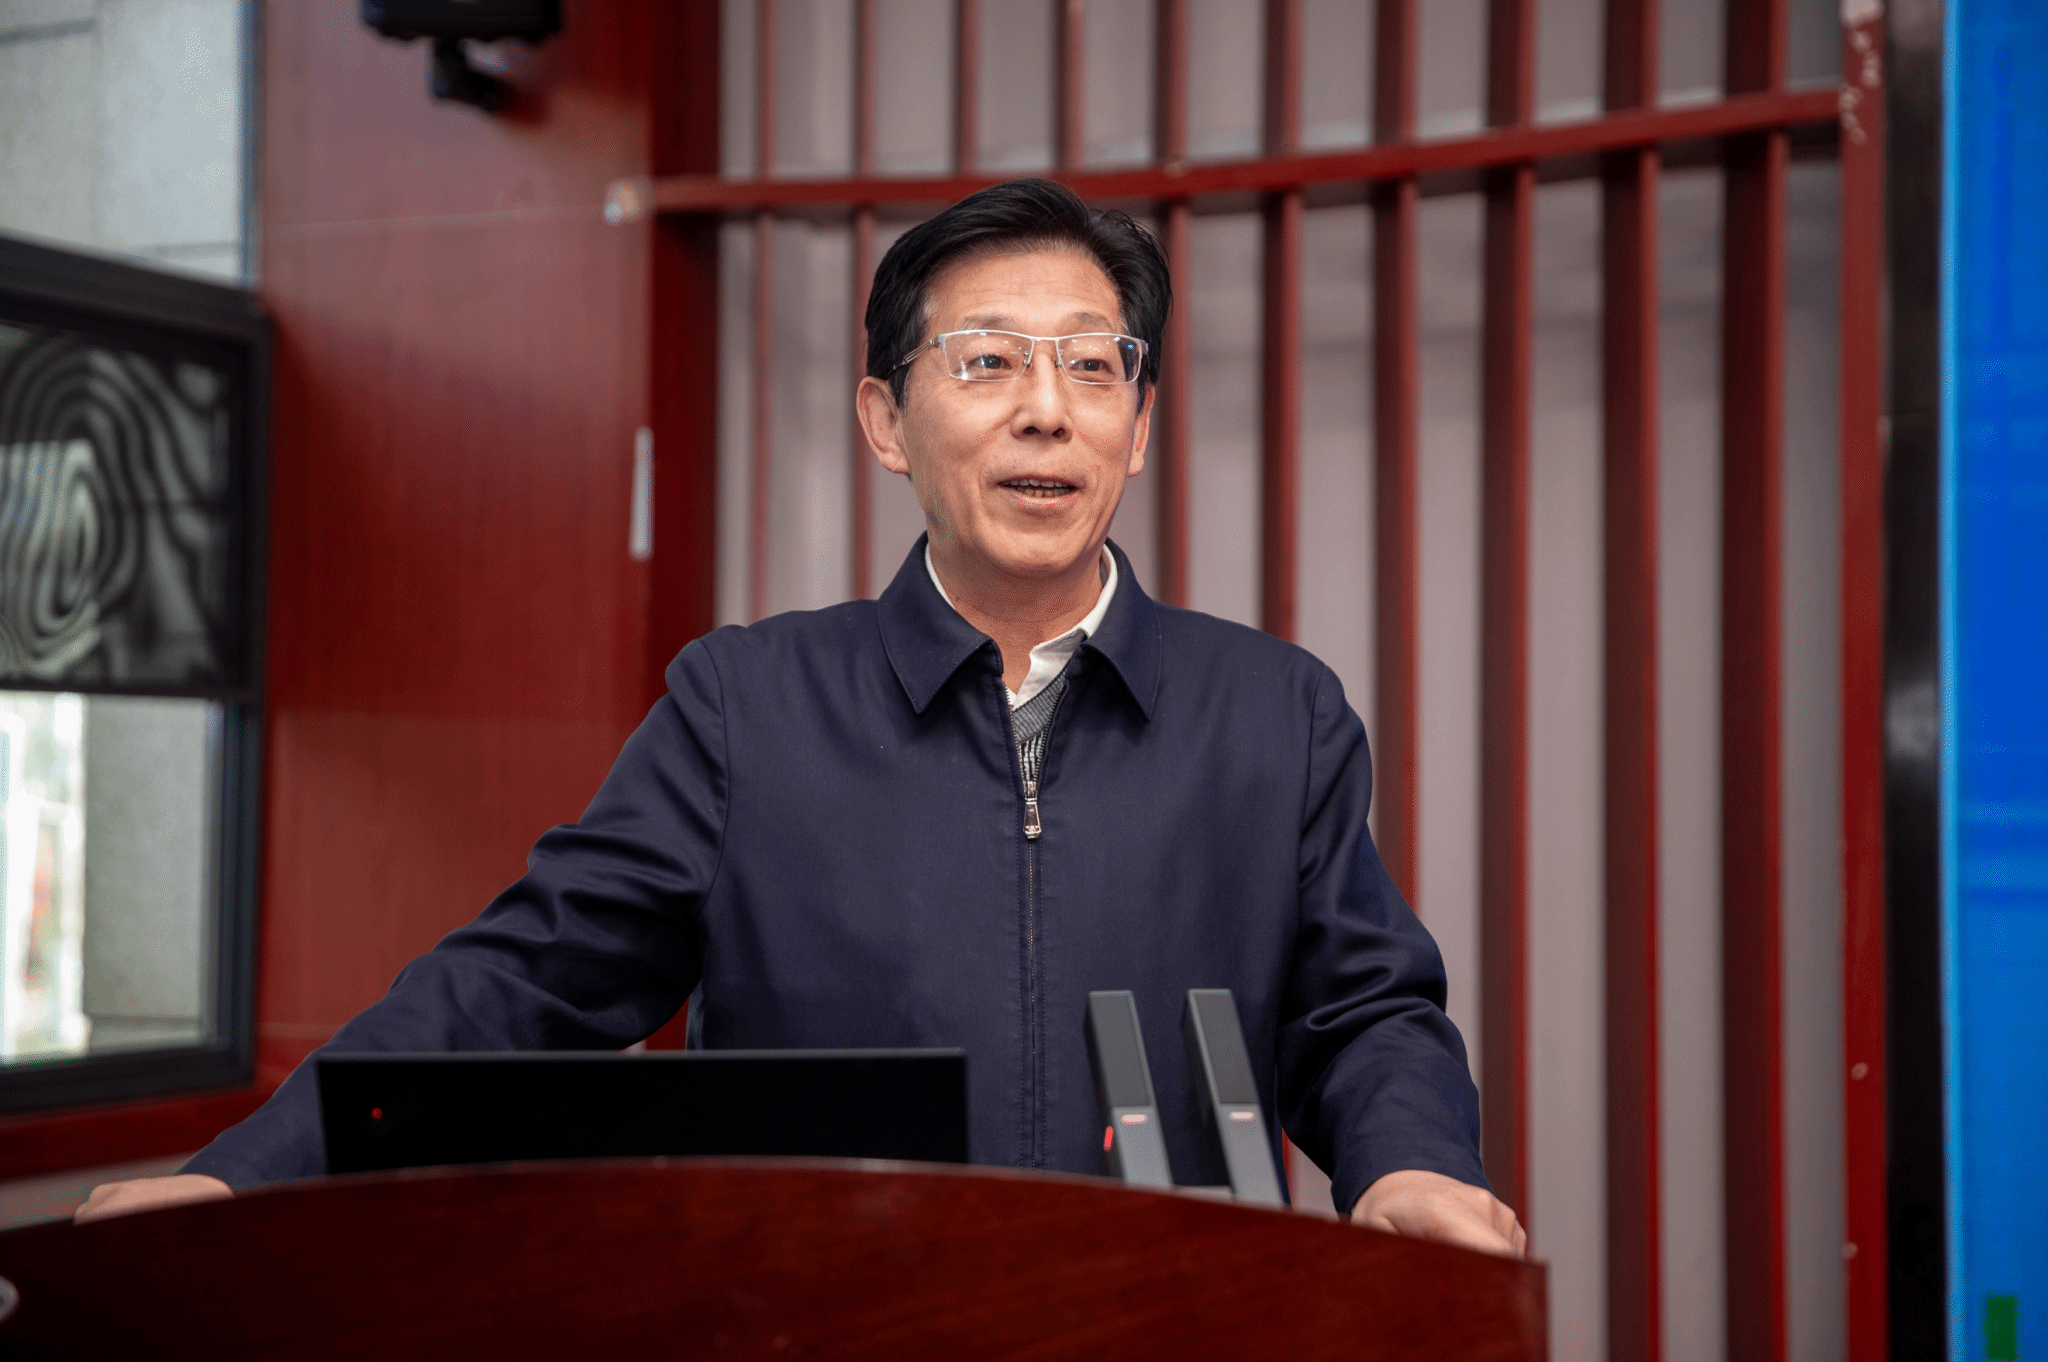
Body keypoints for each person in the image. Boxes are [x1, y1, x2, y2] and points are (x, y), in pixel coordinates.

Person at [79, 179, 1524, 1257]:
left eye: (1094, 365)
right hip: (820, 1321)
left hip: (1167, 1324)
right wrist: (247, 1172)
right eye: (987, 360)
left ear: (1136, 426)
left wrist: (1409, 1163)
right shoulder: (745, 706)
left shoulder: (1273, 712)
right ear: (888, 422)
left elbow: (1362, 1010)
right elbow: (525, 982)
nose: (1048, 409)